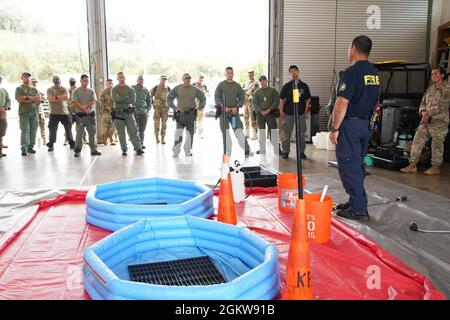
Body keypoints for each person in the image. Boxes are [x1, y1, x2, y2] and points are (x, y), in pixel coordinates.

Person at [329, 35, 379, 221]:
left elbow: (342, 102)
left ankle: (358, 208)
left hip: (350, 125)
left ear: (354, 48)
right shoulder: (373, 73)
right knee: (356, 164)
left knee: (349, 165)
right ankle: (355, 200)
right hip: (365, 125)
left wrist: (335, 128)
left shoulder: (351, 72)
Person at [400, 66, 450, 176]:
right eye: (432, 74)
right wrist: (422, 111)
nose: (433, 76)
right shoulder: (431, 89)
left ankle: (435, 167)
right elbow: (423, 102)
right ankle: (412, 165)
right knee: (417, 141)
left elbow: (442, 106)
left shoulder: (447, 88)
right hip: (426, 121)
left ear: (442, 75)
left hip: (439, 122)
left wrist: (428, 114)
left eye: (436, 74)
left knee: (437, 145)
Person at [214, 67, 252, 156]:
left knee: (238, 131)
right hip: (224, 113)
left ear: (233, 74)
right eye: (228, 73)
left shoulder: (237, 86)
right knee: (226, 133)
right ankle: (228, 150)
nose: (229, 74)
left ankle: (246, 149)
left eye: (231, 73)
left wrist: (237, 106)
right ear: (225, 74)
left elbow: (242, 97)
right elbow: (217, 97)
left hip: (234, 114)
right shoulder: (221, 85)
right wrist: (223, 107)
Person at [167, 73, 206, 158]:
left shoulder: (195, 89)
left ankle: (188, 150)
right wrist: (175, 108)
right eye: (186, 78)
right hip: (180, 115)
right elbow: (169, 98)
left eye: (189, 78)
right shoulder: (177, 88)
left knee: (190, 134)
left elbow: (203, 98)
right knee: (178, 133)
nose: (187, 80)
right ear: (182, 79)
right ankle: (176, 151)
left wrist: (200, 107)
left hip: (191, 115)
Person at [279, 65, 311, 160]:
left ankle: (301, 152)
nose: (293, 73)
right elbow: (281, 100)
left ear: (298, 72)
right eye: (291, 71)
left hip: (300, 114)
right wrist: (281, 111)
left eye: (295, 71)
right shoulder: (286, 86)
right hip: (288, 114)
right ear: (289, 74)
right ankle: (285, 151)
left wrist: (305, 112)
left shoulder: (304, 86)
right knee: (286, 134)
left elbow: (308, 100)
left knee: (301, 134)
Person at [111, 72, 144, 156]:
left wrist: (121, 98)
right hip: (118, 114)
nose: (122, 79)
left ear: (125, 78)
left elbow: (132, 101)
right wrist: (126, 97)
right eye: (120, 77)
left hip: (128, 113)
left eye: (123, 77)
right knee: (121, 133)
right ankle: (124, 149)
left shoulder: (130, 89)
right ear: (117, 78)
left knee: (133, 131)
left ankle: (138, 148)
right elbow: (116, 99)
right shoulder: (114, 89)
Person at [71, 74, 102, 157]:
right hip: (80, 116)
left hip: (89, 116)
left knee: (92, 133)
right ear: (80, 81)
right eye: (84, 81)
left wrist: (87, 106)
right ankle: (77, 150)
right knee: (79, 134)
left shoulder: (91, 91)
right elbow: (75, 102)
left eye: (87, 81)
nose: (86, 82)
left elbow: (94, 100)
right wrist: (84, 108)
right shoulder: (76, 91)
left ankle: (93, 150)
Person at [46, 75, 75, 152]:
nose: (56, 82)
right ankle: (51, 144)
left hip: (64, 112)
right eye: (55, 80)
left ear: (60, 81)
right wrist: (60, 98)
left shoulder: (63, 88)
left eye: (57, 81)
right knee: (52, 129)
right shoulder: (49, 89)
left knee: (68, 129)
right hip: (53, 112)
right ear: (53, 81)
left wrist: (56, 97)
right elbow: (50, 100)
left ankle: (71, 143)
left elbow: (66, 97)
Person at [252, 75, 280, 154]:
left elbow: (276, 101)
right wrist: (261, 111)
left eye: (264, 80)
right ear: (260, 82)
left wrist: (269, 109)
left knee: (273, 131)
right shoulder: (257, 92)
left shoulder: (273, 90)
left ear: (266, 81)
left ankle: (276, 149)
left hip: (270, 113)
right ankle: (262, 149)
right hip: (260, 115)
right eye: (261, 81)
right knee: (261, 131)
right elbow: (254, 103)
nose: (262, 82)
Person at [15, 72, 40, 156]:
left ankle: (31, 147)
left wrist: (27, 97)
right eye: (25, 77)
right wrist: (32, 99)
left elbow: (38, 99)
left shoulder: (34, 89)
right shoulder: (19, 89)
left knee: (33, 129)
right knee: (25, 130)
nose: (27, 78)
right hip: (24, 112)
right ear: (21, 78)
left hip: (34, 112)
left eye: (28, 77)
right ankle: (24, 148)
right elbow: (19, 100)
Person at [132, 75, 152, 149]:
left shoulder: (146, 90)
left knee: (142, 130)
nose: (141, 80)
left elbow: (149, 102)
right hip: (134, 112)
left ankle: (141, 143)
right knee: (135, 129)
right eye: (139, 79)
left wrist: (147, 110)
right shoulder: (132, 88)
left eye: (142, 79)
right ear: (136, 80)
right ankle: (136, 145)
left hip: (143, 113)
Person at [151, 75, 171, 144]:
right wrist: (153, 104)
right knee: (156, 124)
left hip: (165, 110)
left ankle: (162, 138)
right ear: (160, 79)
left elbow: (170, 98)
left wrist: (169, 106)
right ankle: (156, 138)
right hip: (157, 109)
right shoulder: (155, 88)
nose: (164, 81)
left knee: (164, 124)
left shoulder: (168, 88)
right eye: (162, 79)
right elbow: (150, 97)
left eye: (165, 79)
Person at [242, 70, 260, 140]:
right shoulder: (246, 82)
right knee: (246, 117)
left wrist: (246, 91)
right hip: (246, 103)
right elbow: (242, 89)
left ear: (253, 75)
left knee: (253, 118)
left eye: (251, 75)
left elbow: (252, 91)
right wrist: (246, 90)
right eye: (249, 75)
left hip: (252, 103)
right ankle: (247, 133)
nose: (250, 76)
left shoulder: (256, 83)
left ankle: (255, 134)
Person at [99, 79, 117, 145]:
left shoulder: (115, 91)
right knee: (104, 130)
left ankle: (111, 139)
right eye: (109, 83)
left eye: (112, 83)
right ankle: (104, 138)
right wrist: (109, 109)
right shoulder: (103, 93)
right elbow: (102, 103)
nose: (111, 85)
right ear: (106, 84)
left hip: (114, 112)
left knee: (112, 128)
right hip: (106, 112)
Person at [31, 77, 47, 145]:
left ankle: (44, 140)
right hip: (32, 110)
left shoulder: (39, 90)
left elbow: (44, 98)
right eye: (33, 82)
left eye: (35, 82)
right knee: (33, 127)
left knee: (42, 125)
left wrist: (41, 99)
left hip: (40, 110)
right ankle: (32, 141)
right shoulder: (29, 90)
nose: (34, 83)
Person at [0, 74, 11, 158]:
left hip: (2, 114)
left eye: (1, 78)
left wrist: (5, 107)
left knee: (2, 130)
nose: (0, 80)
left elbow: (8, 100)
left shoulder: (3, 90)